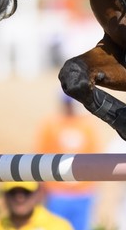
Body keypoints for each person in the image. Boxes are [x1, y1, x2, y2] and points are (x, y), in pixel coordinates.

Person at [35, 94, 103, 230]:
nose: (69, 106)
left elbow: (95, 157)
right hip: (57, 192)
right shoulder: (51, 125)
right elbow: (41, 156)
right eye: (67, 103)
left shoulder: (86, 126)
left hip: (83, 192)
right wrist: (42, 188)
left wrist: (93, 188)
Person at [0, 181, 74, 230]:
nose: (20, 198)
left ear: (39, 193)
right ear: (4, 195)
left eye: (26, 192)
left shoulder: (59, 227)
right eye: (13, 192)